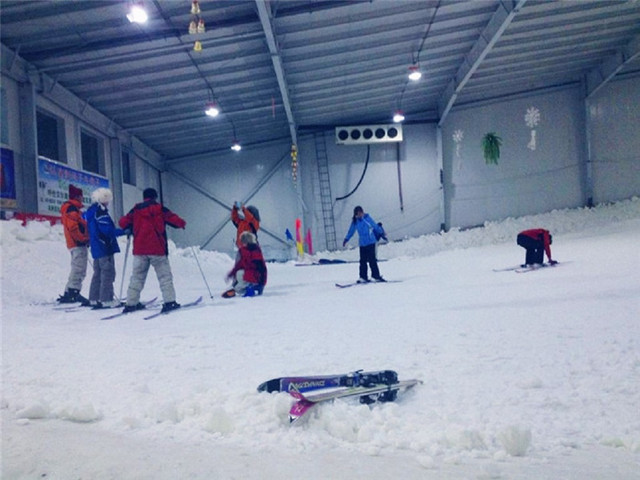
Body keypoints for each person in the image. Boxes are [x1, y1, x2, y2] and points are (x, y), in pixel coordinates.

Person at [119, 188, 186, 313]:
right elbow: (176, 221)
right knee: (164, 277)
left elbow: (122, 222)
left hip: (140, 250)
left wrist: (131, 227)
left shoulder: (136, 209)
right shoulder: (160, 209)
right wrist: (182, 224)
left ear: (144, 197)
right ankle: (169, 302)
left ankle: (131, 303)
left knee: (137, 277)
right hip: (157, 249)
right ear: (155, 197)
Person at [85, 187, 125, 309]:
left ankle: (94, 298)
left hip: (96, 247)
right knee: (108, 273)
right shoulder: (101, 213)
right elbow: (107, 230)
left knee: (98, 273)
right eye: (107, 199)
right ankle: (106, 299)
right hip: (104, 247)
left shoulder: (91, 212)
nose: (109, 202)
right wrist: (123, 231)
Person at [57, 184, 90, 304]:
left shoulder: (72, 209)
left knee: (77, 267)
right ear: (77, 196)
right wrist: (82, 239)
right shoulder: (71, 209)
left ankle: (69, 291)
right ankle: (73, 292)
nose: (82, 198)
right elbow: (74, 227)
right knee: (79, 268)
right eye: (81, 196)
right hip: (77, 243)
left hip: (74, 243)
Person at [343, 205, 386, 283]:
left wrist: (381, 232)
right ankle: (363, 277)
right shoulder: (355, 221)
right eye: (357, 214)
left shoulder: (367, 218)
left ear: (362, 212)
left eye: (360, 213)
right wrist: (346, 239)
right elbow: (351, 231)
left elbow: (375, 226)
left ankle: (375, 276)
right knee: (362, 261)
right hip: (362, 244)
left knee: (372, 260)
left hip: (370, 242)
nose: (359, 215)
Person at [222, 231, 267, 298]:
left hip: (256, 277)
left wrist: (261, 282)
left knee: (240, 277)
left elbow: (256, 266)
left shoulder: (250, 251)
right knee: (240, 274)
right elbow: (239, 265)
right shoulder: (252, 250)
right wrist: (231, 274)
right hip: (257, 277)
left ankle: (250, 287)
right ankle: (251, 288)